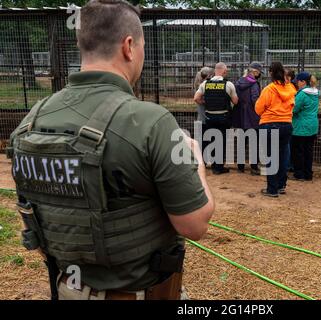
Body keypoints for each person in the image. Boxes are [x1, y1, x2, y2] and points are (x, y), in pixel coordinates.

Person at [7, 0, 214, 300]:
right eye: (143, 46)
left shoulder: (31, 122)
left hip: (67, 288)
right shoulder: (151, 122)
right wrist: (196, 162)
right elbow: (194, 225)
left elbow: (36, 222)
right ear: (129, 46)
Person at [255, 62, 297, 197]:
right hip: (287, 125)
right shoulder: (291, 88)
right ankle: (280, 186)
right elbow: (293, 106)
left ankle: (272, 189)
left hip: (270, 124)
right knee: (283, 156)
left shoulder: (269, 89)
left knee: (271, 158)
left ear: (271, 73)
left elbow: (258, 109)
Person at [194, 62, 239, 174]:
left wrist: (205, 102)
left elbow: (196, 98)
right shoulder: (228, 84)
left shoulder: (205, 84)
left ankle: (203, 164)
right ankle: (217, 168)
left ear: (215, 71)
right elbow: (235, 101)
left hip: (209, 117)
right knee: (221, 142)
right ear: (224, 71)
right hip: (223, 117)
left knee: (209, 140)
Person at [232, 62, 263, 175]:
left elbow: (234, 98)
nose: (259, 75)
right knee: (254, 142)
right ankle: (254, 168)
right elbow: (255, 99)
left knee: (241, 142)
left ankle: (241, 167)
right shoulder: (254, 84)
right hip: (252, 117)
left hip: (239, 116)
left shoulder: (238, 82)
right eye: (259, 72)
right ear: (254, 72)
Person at [291, 71, 319, 181]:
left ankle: (299, 174)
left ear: (303, 82)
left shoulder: (302, 94)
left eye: (297, 81)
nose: (297, 84)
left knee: (298, 151)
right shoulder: (316, 92)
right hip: (312, 126)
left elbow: (294, 109)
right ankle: (308, 174)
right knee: (309, 151)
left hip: (300, 127)